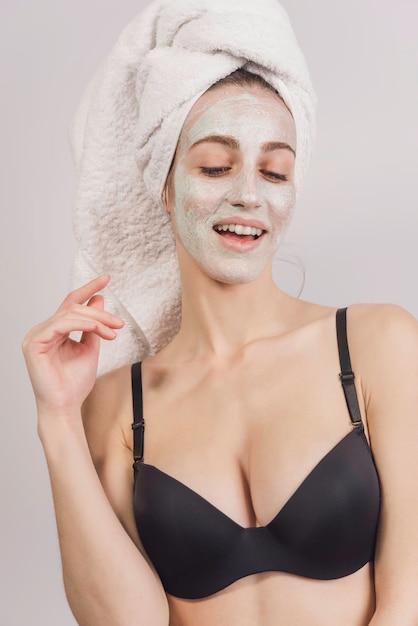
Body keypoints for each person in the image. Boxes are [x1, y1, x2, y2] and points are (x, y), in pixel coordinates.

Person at [22, 1, 418, 625]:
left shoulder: (376, 346)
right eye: (215, 165)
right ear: (165, 182)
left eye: (275, 171)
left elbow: (411, 598)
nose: (248, 196)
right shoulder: (118, 407)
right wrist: (58, 419)